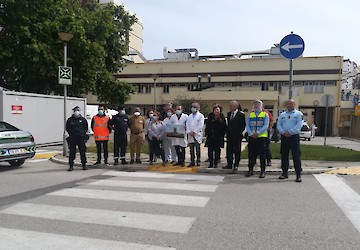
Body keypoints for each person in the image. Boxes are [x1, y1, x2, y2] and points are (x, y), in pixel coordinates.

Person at [277, 99, 303, 182]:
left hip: (294, 137)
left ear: (294, 104)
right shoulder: (282, 114)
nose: (289, 105)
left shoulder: (298, 114)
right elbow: (279, 125)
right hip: (284, 137)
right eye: (287, 104)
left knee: (296, 156)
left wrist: (291, 132)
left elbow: (299, 125)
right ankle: (284, 173)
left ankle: (298, 175)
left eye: (291, 104)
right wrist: (283, 132)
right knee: (284, 155)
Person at [245, 100, 269, 178]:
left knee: (262, 156)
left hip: (261, 137)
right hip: (252, 137)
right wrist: (251, 134)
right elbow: (247, 126)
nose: (256, 106)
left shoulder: (265, 115)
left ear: (261, 106)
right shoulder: (250, 115)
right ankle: (250, 170)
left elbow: (265, 126)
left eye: (258, 105)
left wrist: (258, 133)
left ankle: (262, 171)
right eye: (255, 105)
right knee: (251, 155)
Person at [224, 100, 246, 170]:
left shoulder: (241, 114)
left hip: (237, 136)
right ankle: (229, 164)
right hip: (230, 136)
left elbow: (243, 126)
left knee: (237, 151)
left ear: (235, 106)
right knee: (229, 151)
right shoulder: (229, 114)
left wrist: (238, 132)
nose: (230, 107)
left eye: (231, 106)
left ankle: (236, 164)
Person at [66, 106, 88, 171]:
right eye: (75, 110)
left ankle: (84, 165)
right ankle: (71, 165)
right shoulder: (70, 120)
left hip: (81, 138)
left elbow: (86, 128)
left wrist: (82, 133)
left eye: (77, 110)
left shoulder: (83, 119)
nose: (76, 112)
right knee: (72, 152)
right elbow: (67, 128)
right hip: (72, 138)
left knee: (82, 152)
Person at [186, 102, 205, 167]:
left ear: (198, 108)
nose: (193, 108)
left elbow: (200, 125)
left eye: (195, 107)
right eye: (192, 107)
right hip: (190, 135)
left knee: (197, 149)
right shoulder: (189, 116)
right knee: (191, 150)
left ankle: (198, 161)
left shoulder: (201, 116)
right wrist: (189, 132)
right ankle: (192, 161)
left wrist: (194, 132)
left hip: (197, 134)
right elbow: (187, 125)